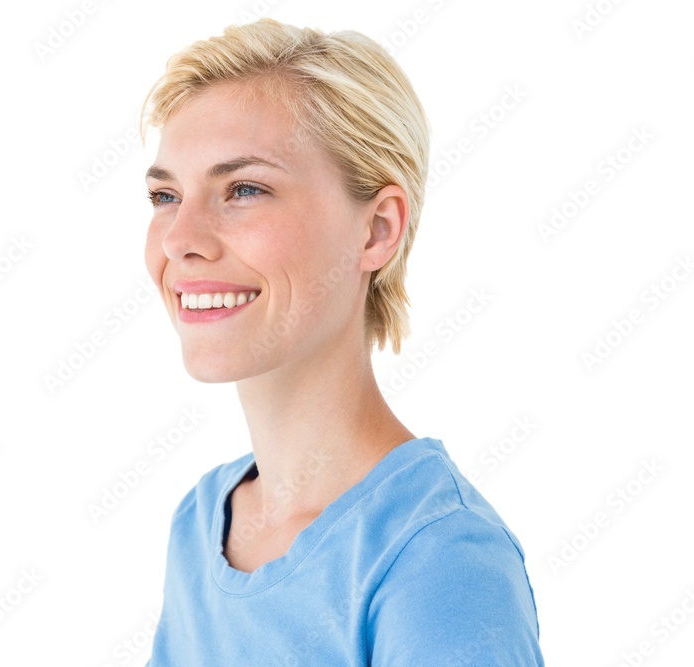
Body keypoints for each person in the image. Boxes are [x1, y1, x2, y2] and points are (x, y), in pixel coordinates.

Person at [139, 18, 544, 666]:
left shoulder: (438, 559)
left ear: (377, 230)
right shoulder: (200, 522)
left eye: (244, 189)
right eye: (166, 195)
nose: (179, 239)